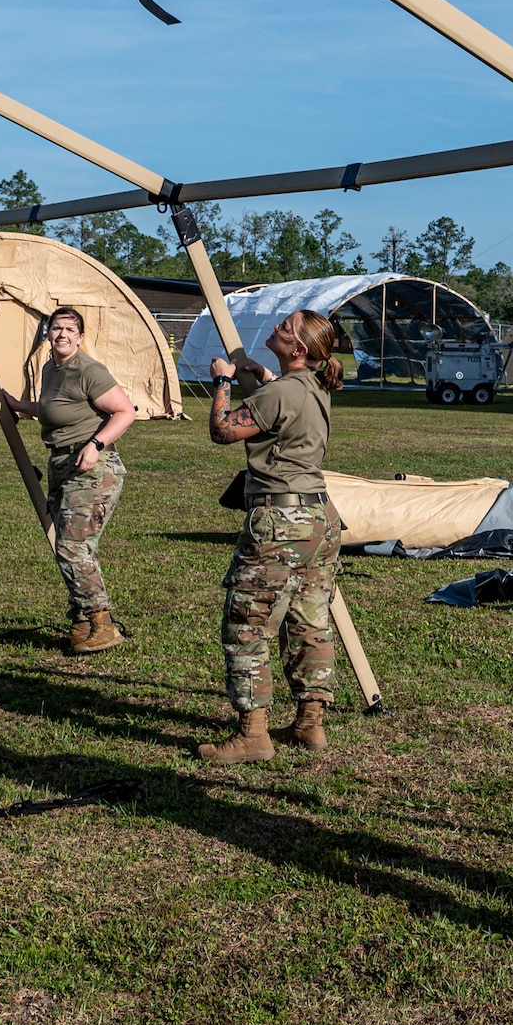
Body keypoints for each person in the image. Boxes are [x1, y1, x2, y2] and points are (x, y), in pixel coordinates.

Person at [197, 311, 346, 764]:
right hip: (319, 520)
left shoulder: (281, 392)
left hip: (280, 523)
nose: (278, 326)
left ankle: (253, 735)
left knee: (248, 622)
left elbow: (224, 430)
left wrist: (224, 380)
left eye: (286, 326)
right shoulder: (313, 385)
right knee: (309, 620)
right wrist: (259, 374)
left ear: (299, 350)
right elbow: (274, 402)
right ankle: (309, 723)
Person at [1, 306, 138, 655]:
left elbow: (125, 411)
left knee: (72, 547)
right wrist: (19, 405)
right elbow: (53, 408)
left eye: (68, 329)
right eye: (55, 328)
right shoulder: (51, 369)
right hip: (61, 463)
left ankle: (102, 624)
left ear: (80, 336)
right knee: (71, 545)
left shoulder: (87, 369)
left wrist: (95, 444)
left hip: (92, 466)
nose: (61, 334)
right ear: (48, 333)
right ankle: (81, 622)